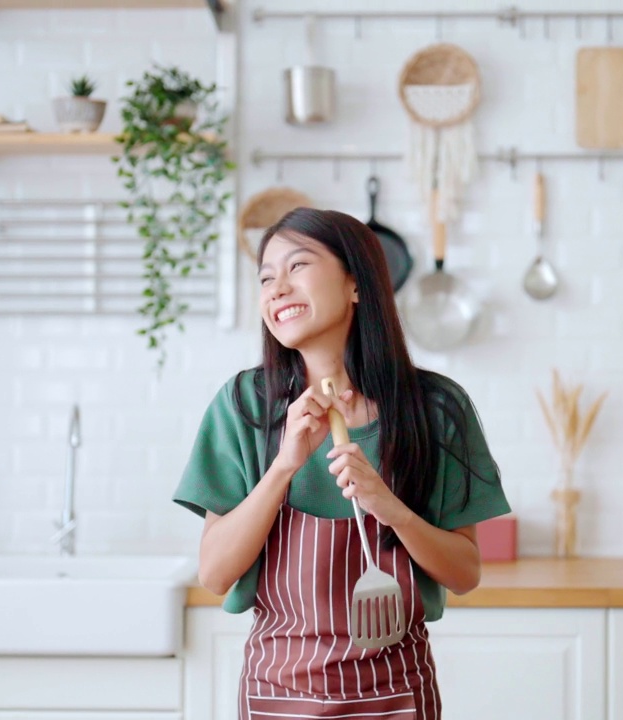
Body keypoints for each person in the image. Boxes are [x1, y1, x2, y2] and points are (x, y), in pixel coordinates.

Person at [173, 207, 509, 719]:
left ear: (356, 284)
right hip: (278, 697)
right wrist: (283, 466)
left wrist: (390, 508)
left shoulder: (435, 409)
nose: (277, 288)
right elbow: (216, 573)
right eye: (266, 277)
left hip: (395, 696)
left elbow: (464, 573)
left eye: (297, 266)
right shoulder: (244, 406)